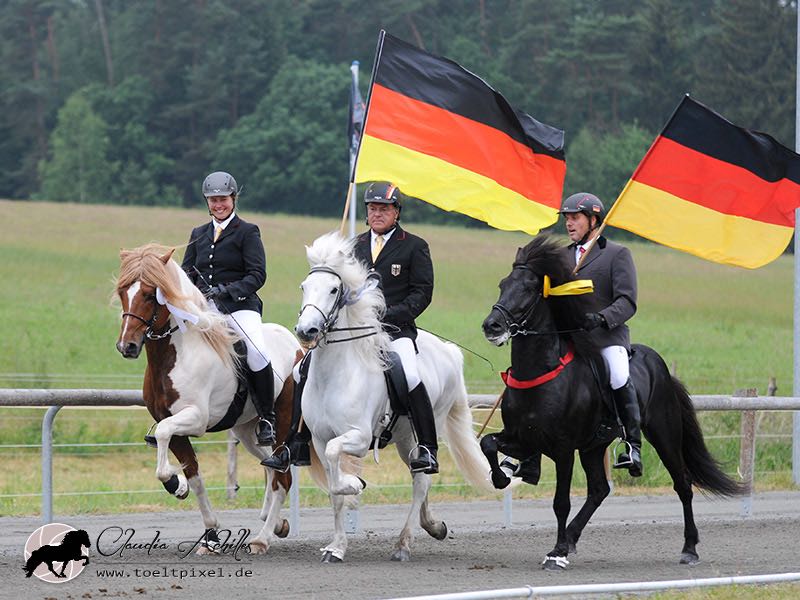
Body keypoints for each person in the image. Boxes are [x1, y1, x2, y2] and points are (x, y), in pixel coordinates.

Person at [263, 181, 440, 474]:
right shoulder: (352, 247)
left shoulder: (414, 246)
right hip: (351, 332)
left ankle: (427, 448)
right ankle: (296, 441)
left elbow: (422, 294)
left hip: (394, 331)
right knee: (300, 370)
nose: (377, 214)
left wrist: (389, 314)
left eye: (384, 209)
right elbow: (335, 290)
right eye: (372, 209)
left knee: (409, 373)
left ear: (397, 212)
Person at [507, 192, 642, 483]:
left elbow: (627, 301)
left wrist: (602, 318)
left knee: (618, 373)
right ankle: (525, 449)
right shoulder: (561, 257)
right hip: (569, 340)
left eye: (575, 218)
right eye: (567, 218)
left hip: (606, 338)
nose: (569, 223)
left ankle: (631, 443)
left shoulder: (617, 254)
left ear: (594, 220)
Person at [181, 171, 276, 447]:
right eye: (212, 200)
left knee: (256, 352)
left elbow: (257, 274)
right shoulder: (198, 234)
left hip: (240, 307)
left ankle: (267, 417)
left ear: (233, 199)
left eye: (222, 199)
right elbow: (187, 272)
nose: (218, 205)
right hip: (205, 309)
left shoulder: (247, 232)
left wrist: (227, 291)